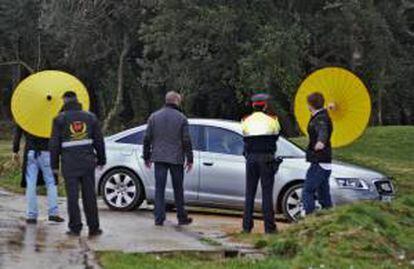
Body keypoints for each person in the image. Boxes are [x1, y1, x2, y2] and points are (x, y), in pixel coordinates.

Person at [49, 91, 106, 236]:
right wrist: (101, 159)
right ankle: (94, 227)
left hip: (69, 163)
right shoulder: (90, 117)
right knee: (90, 196)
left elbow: (54, 145)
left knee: (72, 198)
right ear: (77, 100)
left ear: (64, 102)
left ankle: (75, 228)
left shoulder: (59, 120)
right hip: (87, 162)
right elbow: (99, 140)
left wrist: (54, 166)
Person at [143, 91, 193, 226]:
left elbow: (147, 138)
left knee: (159, 188)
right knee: (178, 188)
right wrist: (190, 159)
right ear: (177, 101)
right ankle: (181, 217)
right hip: (176, 158)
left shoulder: (154, 117)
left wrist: (146, 157)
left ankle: (159, 218)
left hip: (158, 157)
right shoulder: (182, 118)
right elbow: (186, 140)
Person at [241, 93, 281, 234]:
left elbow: (245, 137)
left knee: (249, 193)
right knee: (267, 193)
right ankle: (269, 228)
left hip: (251, 159)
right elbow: (276, 136)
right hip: (267, 158)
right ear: (265, 106)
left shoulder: (245, 120)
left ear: (253, 105)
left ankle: (246, 227)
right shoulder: (273, 120)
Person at [12, 126, 64, 224]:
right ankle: (53, 213)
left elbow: (18, 133)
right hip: (48, 151)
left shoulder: (25, 115)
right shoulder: (48, 114)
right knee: (51, 182)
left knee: (31, 183)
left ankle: (31, 215)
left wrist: (15, 150)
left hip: (31, 151)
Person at [302, 92, 333, 215]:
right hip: (324, 162)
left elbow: (323, 130)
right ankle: (330, 220)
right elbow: (322, 119)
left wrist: (321, 141)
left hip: (319, 161)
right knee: (324, 196)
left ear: (310, 105)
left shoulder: (320, 119)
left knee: (307, 191)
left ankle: (310, 219)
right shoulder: (321, 114)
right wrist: (327, 108)